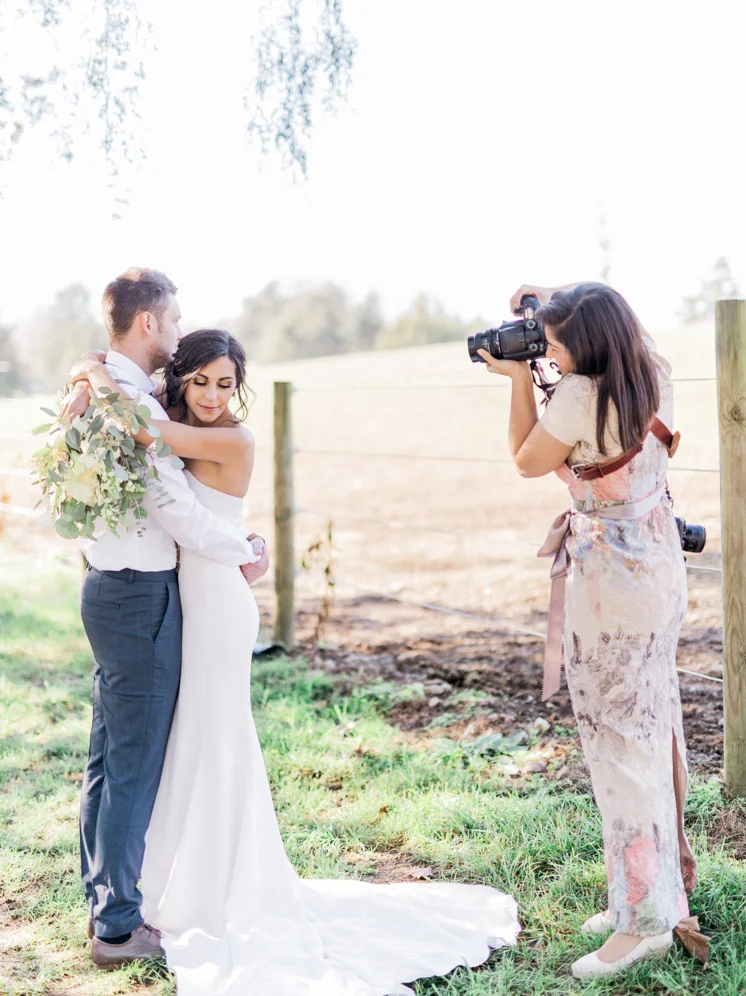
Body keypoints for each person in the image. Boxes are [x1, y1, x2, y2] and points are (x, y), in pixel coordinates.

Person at [67, 325, 521, 992]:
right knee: (187, 737)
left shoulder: (230, 437)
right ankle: (171, 877)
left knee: (216, 736)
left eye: (226, 384)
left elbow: (143, 435)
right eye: (201, 381)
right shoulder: (172, 419)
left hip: (217, 600)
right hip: (189, 591)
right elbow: (150, 441)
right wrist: (89, 367)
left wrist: (96, 376)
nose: (215, 395)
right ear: (180, 379)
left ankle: (214, 881)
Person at [478, 281, 702, 980]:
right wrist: (555, 301)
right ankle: (654, 886)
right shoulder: (649, 370)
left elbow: (525, 461)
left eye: (553, 336)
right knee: (652, 729)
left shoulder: (577, 395)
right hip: (659, 566)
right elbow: (611, 322)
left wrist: (518, 380)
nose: (547, 345)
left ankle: (644, 924)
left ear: (586, 341)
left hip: (610, 584)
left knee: (618, 747)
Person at [63, 268, 268, 971]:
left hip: (124, 588)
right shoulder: (127, 402)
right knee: (131, 765)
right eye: (174, 321)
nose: (178, 334)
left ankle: (112, 902)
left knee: (114, 760)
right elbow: (175, 511)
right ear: (149, 324)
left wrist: (87, 371)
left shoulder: (123, 391)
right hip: (141, 592)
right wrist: (246, 549)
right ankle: (117, 926)